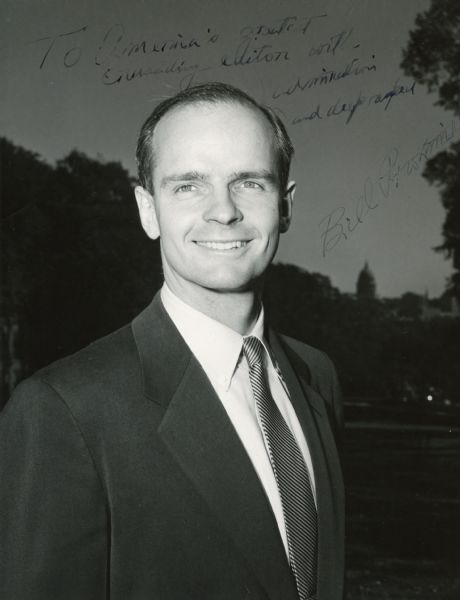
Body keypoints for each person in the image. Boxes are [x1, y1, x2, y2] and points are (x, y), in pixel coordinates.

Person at [0, 82, 344, 600]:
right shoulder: (63, 410)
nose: (223, 211)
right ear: (147, 209)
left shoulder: (316, 375)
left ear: (286, 204)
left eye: (249, 183)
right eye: (188, 185)